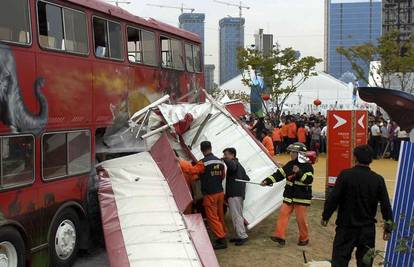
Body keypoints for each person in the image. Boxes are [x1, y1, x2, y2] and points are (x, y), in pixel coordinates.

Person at [322, 145, 393, 267]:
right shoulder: (378, 179)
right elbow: (386, 205)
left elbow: (333, 198)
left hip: (346, 228)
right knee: (365, 263)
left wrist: (326, 216)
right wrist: (388, 228)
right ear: (371, 159)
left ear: (355, 158)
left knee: (339, 261)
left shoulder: (345, 175)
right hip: (367, 230)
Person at [261, 142, 314, 247]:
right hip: (289, 196)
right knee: (283, 215)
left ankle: (304, 238)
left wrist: (299, 172)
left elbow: (308, 180)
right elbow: (279, 174)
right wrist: (267, 181)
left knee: (301, 220)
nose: (291, 154)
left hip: (301, 198)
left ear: (299, 153)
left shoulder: (308, 166)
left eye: (293, 152)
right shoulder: (289, 164)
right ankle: (280, 237)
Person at [187, 141, 228, 249]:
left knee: (212, 218)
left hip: (210, 194)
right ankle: (223, 232)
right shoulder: (220, 161)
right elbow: (222, 176)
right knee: (220, 216)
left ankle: (221, 239)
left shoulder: (203, 163)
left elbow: (192, 171)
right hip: (220, 192)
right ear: (211, 147)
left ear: (201, 150)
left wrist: (181, 163)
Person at [222, 148, 250, 246]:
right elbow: (247, 178)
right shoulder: (240, 166)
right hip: (237, 194)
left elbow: (232, 167)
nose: (225, 156)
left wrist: (224, 160)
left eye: (226, 154)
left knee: (236, 215)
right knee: (236, 215)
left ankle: (243, 236)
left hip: (235, 194)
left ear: (232, 155)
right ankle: (240, 235)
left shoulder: (233, 164)